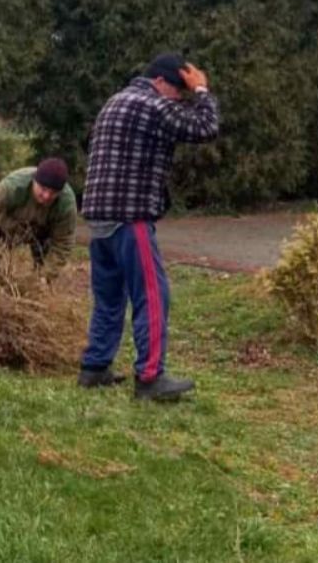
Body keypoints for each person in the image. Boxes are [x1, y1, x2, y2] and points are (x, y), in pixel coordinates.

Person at [79, 53, 219, 400]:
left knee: (109, 297)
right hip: (130, 216)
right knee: (153, 296)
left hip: (99, 219)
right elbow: (205, 127)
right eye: (177, 92)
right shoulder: (150, 104)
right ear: (160, 82)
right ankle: (150, 377)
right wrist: (201, 90)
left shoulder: (116, 101)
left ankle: (94, 368)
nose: (177, 101)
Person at [0, 158, 79, 280]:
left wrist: (46, 276)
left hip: (41, 236)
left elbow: (63, 243)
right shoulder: (13, 186)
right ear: (34, 180)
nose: (46, 196)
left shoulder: (66, 203)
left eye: (53, 193)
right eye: (43, 189)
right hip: (3, 229)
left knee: (42, 280)